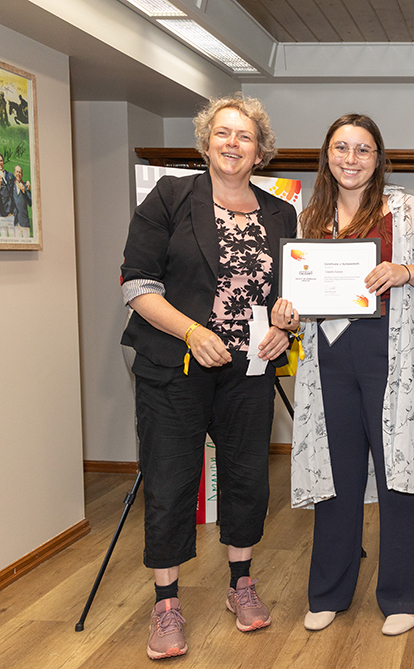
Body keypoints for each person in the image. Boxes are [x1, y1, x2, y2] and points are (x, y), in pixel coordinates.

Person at [120, 93, 297, 660]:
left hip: (250, 369)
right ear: (205, 141)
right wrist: (192, 331)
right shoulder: (171, 197)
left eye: (245, 136)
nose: (232, 143)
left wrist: (285, 326)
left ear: (260, 152)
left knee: (248, 478)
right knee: (171, 480)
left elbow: (288, 296)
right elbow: (137, 284)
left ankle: (240, 583)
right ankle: (166, 604)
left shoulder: (281, 214)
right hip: (176, 365)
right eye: (223, 132)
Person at [275, 113, 414, 638]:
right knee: (335, 475)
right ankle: (329, 592)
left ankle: (405, 593)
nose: (351, 158)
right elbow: (296, 293)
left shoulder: (406, 210)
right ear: (327, 156)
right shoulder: (309, 217)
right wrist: (287, 311)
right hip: (328, 361)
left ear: (378, 158)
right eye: (341, 148)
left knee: (400, 472)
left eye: (362, 149)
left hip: (392, 356)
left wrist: (406, 271)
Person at [11, 164, 30, 237]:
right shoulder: (11, 186)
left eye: (20, 172)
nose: (18, 174)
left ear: (22, 174)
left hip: (24, 222)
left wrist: (24, 192)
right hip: (16, 222)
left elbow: (30, 203)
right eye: (17, 172)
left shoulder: (26, 186)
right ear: (14, 173)